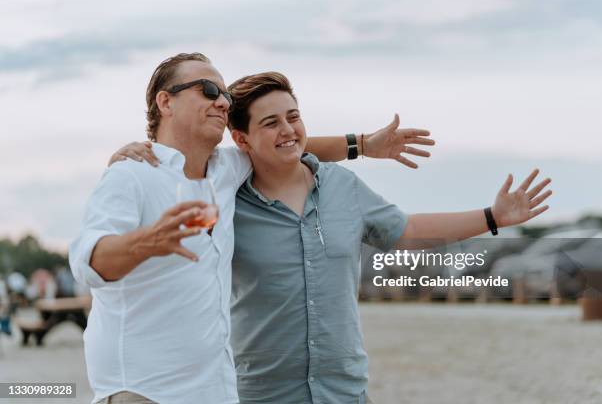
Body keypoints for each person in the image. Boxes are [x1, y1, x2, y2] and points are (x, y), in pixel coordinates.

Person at [120, 71, 552, 404]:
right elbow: (179, 174)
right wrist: (135, 155)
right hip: (261, 393)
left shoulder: (343, 188)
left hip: (343, 390)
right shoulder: (226, 195)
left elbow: (410, 230)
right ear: (241, 138)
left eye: (293, 117)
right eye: (270, 122)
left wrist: (492, 216)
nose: (287, 130)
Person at [72, 53, 434, 404]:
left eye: (225, 96)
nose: (222, 102)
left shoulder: (226, 170)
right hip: (144, 393)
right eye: (208, 90)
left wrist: (364, 145)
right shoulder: (131, 174)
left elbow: (283, 144)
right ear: (165, 102)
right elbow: (88, 261)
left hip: (214, 392)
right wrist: (147, 242)